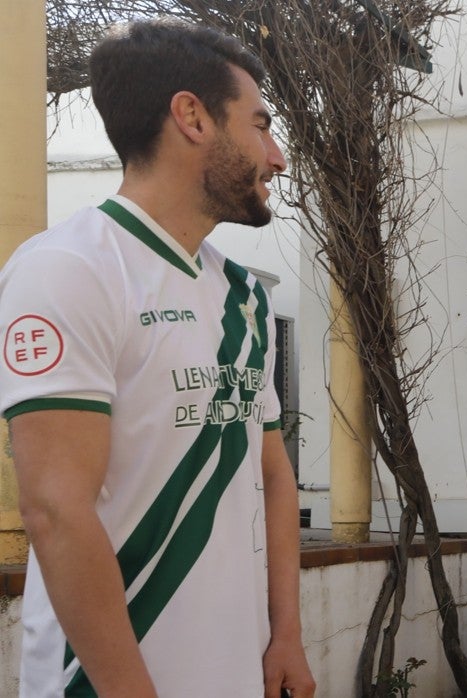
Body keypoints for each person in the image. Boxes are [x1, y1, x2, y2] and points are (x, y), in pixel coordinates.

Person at [0, 19, 315, 697]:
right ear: (192, 117)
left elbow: (274, 476)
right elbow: (55, 510)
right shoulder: (68, 269)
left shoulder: (242, 296)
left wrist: (285, 633)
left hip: (236, 670)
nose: (277, 155)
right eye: (259, 125)